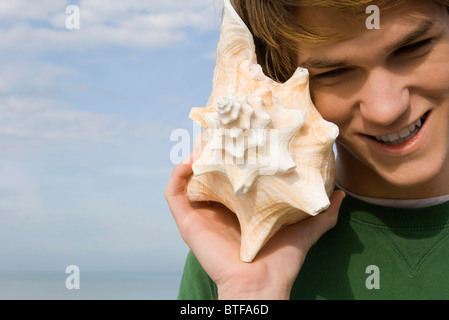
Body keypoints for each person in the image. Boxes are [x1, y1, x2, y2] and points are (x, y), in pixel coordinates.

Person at [165, 0, 449, 299]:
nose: (386, 110)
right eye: (333, 73)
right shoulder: (236, 254)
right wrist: (253, 291)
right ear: (283, 86)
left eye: (413, 47)